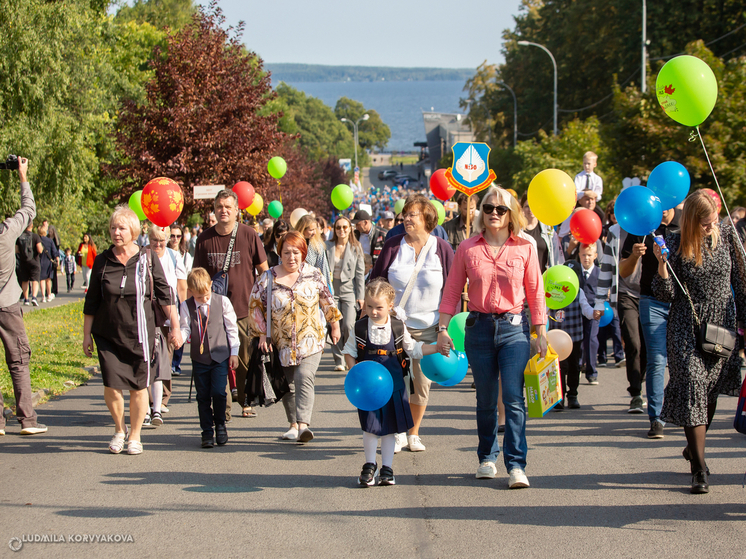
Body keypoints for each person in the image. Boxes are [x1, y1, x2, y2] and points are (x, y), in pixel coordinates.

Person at [437, 185, 547, 489]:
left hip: (515, 330)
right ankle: (487, 457)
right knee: (485, 400)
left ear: (511, 214)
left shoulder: (525, 247)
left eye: (501, 209)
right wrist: (443, 328)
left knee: (513, 398)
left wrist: (540, 332)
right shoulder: (467, 248)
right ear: (481, 213)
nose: (494, 214)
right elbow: (451, 290)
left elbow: (536, 292)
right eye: (488, 208)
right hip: (479, 328)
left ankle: (516, 465)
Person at [651, 191, 746, 494]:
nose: (710, 228)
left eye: (712, 222)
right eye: (704, 225)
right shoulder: (676, 243)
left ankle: (693, 447)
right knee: (692, 383)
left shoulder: (729, 237)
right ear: (691, 220)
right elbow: (664, 295)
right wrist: (662, 265)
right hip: (685, 326)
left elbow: (741, 284)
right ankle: (699, 469)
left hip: (720, 325)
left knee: (710, 390)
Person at [83, 206, 181, 455]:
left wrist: (176, 327)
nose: (116, 232)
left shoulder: (148, 258)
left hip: (140, 335)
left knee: (139, 387)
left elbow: (165, 294)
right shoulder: (103, 261)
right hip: (107, 335)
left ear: (134, 231)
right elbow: (92, 300)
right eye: (113, 228)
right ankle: (119, 429)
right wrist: (86, 335)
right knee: (111, 385)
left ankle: (135, 435)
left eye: (122, 228)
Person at [370, 194, 453, 453]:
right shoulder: (393, 245)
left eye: (412, 215)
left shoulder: (442, 248)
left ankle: (413, 432)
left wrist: (446, 328)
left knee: (421, 384)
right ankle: (396, 432)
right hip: (393, 326)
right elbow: (375, 282)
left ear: (427, 219)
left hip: (429, 326)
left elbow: (451, 290)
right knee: (394, 381)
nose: (405, 219)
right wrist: (367, 318)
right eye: (404, 215)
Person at [248, 231, 342, 442]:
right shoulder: (267, 278)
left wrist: (335, 326)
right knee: (288, 383)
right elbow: (255, 306)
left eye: (296, 252)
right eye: (287, 252)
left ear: (303, 253)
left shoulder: (314, 273)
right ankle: (293, 424)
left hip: (311, 339)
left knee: (304, 377)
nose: (292, 257)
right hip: (280, 342)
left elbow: (327, 300)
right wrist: (262, 334)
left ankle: (303, 425)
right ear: (279, 252)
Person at [343, 279, 438, 486]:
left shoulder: (397, 326)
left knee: (389, 429)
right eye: (369, 306)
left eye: (379, 307)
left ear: (390, 306)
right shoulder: (359, 328)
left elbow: (413, 349)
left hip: (394, 387)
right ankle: (369, 465)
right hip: (368, 390)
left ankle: (387, 468)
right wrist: (355, 371)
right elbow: (349, 352)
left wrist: (436, 348)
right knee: (369, 427)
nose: (374, 311)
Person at [194, 189, 268, 421]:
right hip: (213, 312)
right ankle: (222, 408)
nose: (223, 210)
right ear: (214, 210)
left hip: (244, 309)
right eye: (219, 207)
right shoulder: (204, 239)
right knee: (218, 362)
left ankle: (245, 401)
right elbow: (197, 276)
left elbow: (264, 271)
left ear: (237, 210)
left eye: (228, 207)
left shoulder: (248, 234)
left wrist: (264, 304)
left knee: (244, 361)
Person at [620, 207, 679, 438]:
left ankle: (683, 411)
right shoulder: (643, 226)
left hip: (680, 302)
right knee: (656, 358)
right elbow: (624, 271)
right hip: (651, 300)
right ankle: (656, 419)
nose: (663, 209)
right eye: (659, 203)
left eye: (668, 204)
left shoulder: (685, 225)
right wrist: (635, 255)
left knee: (681, 361)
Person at [0, 157, 48, 437]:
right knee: (18, 359)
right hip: (7, 304)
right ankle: (27, 419)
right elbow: (28, 209)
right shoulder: (6, 234)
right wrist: (22, 176)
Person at [180, 268, 240, 448]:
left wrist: (234, 352)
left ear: (211, 286)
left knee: (219, 392)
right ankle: (206, 431)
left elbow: (231, 328)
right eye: (199, 297)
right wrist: (179, 340)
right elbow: (185, 328)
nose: (204, 299)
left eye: (206, 294)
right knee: (203, 396)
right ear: (190, 292)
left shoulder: (222, 302)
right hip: (199, 358)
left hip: (220, 356)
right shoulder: (186, 306)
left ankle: (220, 425)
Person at [594, 217, 646, 413]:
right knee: (633, 342)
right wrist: (600, 300)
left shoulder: (656, 228)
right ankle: (636, 393)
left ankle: (639, 379)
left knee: (647, 348)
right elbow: (607, 267)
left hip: (651, 296)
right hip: (625, 294)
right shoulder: (616, 232)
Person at [143, 224, 187, 427]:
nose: (158, 244)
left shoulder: (173, 256)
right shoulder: (142, 256)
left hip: (168, 312)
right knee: (146, 359)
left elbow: (180, 286)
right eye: (154, 240)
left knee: (164, 358)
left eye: (162, 240)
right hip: (147, 313)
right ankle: (148, 403)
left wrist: (181, 314)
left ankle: (160, 400)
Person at [549, 257, 595, 410]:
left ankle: (573, 395)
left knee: (575, 365)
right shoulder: (554, 292)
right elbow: (545, 310)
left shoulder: (579, 292)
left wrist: (594, 313)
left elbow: (586, 309)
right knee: (560, 366)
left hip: (574, 336)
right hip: (557, 337)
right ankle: (559, 397)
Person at [326, 216, 365, 371]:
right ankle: (338, 360)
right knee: (334, 324)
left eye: (344, 227)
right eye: (338, 227)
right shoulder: (327, 246)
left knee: (348, 324)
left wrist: (360, 296)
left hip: (349, 290)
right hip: (331, 291)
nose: (341, 230)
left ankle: (349, 354)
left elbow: (360, 274)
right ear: (334, 230)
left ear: (350, 229)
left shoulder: (356, 247)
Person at [519, 193, 563, 272]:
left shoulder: (548, 230)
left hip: (544, 278)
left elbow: (557, 257)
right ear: (522, 208)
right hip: (522, 278)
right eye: (527, 206)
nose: (530, 209)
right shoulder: (517, 231)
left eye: (533, 206)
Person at [578, 243, 601, 385]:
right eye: (583, 255)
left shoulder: (599, 273)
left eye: (589, 255)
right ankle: (578, 365)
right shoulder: (574, 272)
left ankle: (592, 371)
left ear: (595, 256)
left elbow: (604, 292)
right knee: (578, 339)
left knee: (591, 338)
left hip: (593, 309)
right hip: (576, 309)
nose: (586, 258)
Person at [296, 214, 333, 293]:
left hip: (313, 288)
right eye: (311, 230)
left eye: (315, 229)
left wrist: (329, 290)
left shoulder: (317, 245)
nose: (314, 232)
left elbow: (323, 268)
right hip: (296, 286)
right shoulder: (293, 244)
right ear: (303, 229)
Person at [16, 221, 43, 306]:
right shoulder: (35, 236)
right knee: (35, 280)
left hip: (23, 262)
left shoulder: (19, 237)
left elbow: (16, 250)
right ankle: (34, 298)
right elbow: (39, 250)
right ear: (32, 226)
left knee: (24, 280)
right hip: (34, 261)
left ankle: (26, 299)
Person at [38, 222, 59, 303]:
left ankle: (43, 296)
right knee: (48, 280)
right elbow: (54, 251)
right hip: (48, 262)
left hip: (40, 261)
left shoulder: (37, 240)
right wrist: (57, 259)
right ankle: (49, 295)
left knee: (42, 280)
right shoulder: (50, 241)